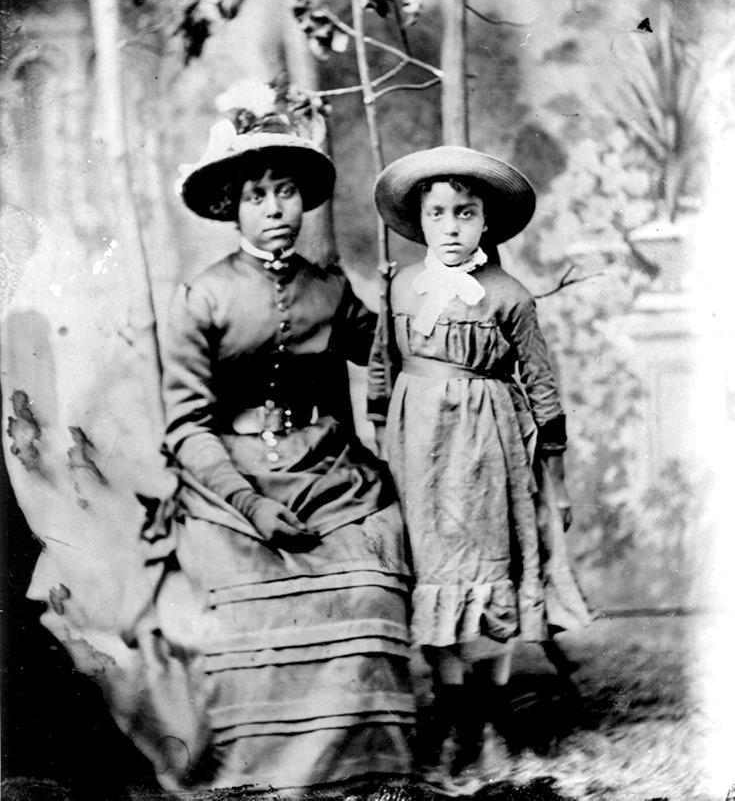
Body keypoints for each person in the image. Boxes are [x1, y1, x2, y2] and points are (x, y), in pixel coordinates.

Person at [160, 114, 415, 792]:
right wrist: (246, 503)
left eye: (285, 191)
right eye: (255, 195)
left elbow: (393, 351)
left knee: (368, 587)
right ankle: (262, 779)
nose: (274, 208)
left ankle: (368, 774)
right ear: (230, 209)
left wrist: (409, 296)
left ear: (304, 198)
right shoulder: (202, 296)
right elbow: (186, 427)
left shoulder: (329, 287)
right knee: (250, 607)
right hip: (231, 485)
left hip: (332, 475)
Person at [367, 145, 593, 777]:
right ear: (421, 220)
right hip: (417, 451)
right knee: (432, 569)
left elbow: (543, 390)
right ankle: (452, 712)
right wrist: (385, 445)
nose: (450, 226)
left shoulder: (510, 296)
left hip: (486, 447)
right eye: (437, 213)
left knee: (485, 568)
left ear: (485, 222)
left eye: (465, 213)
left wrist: (557, 482)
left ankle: (491, 716)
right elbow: (383, 368)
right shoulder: (400, 286)